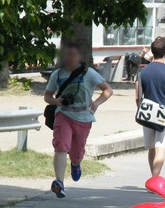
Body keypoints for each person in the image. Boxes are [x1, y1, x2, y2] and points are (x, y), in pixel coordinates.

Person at [44, 42, 113, 198]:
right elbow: (47, 96)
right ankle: (59, 183)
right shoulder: (58, 74)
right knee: (61, 146)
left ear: (79, 57)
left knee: (76, 153)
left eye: (73, 55)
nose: (69, 58)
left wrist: (96, 103)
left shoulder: (89, 73)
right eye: (67, 55)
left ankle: (76, 164)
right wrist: (57, 101)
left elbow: (108, 90)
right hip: (63, 115)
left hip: (83, 118)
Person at [136, 37, 165, 177]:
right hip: (164, 113)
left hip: (147, 111)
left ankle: (152, 178)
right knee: (160, 147)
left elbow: (137, 96)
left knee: (151, 148)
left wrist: (141, 109)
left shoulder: (142, 73)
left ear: (152, 52)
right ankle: (155, 179)